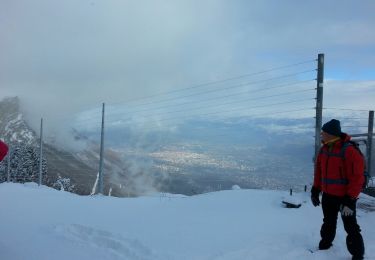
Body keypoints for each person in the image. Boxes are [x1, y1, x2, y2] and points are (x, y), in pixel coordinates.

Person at [311, 119, 365, 260]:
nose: (321, 134)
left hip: (345, 198)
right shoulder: (324, 150)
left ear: (331, 134)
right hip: (328, 196)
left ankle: (358, 255)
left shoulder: (349, 151)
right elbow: (319, 172)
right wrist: (315, 189)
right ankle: (325, 246)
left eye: (324, 132)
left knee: (351, 227)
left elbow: (357, 178)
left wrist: (350, 199)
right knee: (328, 223)